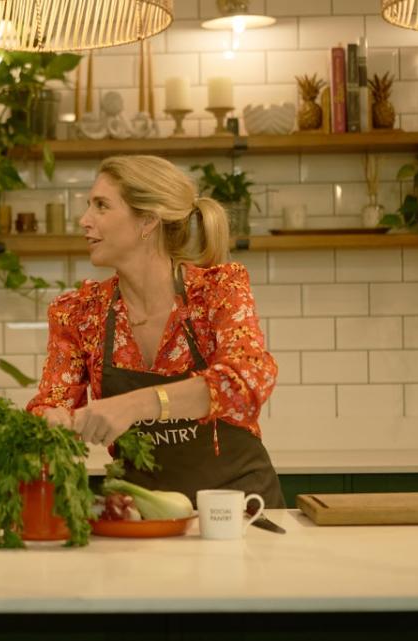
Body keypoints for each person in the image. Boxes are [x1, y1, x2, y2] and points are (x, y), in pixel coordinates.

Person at [27, 155, 284, 508]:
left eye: (101, 206)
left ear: (147, 220)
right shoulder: (80, 313)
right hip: (142, 516)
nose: (84, 221)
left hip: (238, 513)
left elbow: (248, 378)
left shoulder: (215, 291)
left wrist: (133, 406)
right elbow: (48, 406)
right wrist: (53, 420)